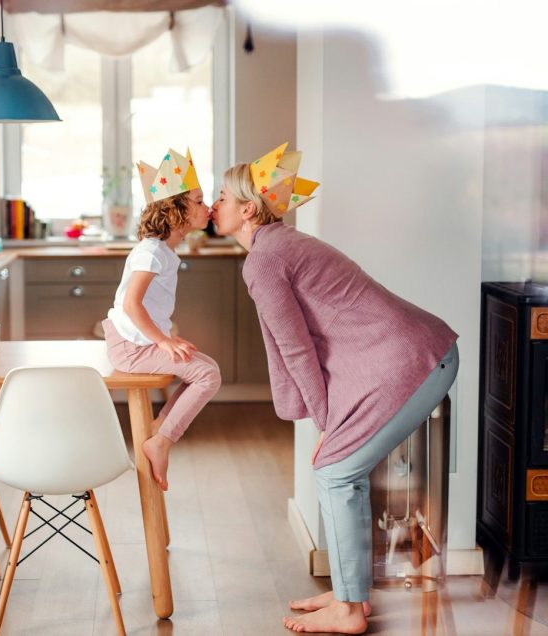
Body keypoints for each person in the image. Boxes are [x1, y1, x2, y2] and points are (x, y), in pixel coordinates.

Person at [211, 143, 459, 634]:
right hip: (417, 355)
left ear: (248, 210)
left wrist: (327, 424)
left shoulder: (264, 260)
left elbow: (297, 349)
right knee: (339, 470)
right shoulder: (281, 247)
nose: (213, 205)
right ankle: (351, 593)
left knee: (337, 471)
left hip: (412, 362)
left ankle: (348, 610)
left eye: (221, 196)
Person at [103, 147, 221, 491]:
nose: (207, 207)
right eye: (199, 201)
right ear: (175, 212)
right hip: (131, 348)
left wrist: (164, 338)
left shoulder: (163, 250)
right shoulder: (152, 251)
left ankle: (160, 430)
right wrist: (164, 341)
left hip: (134, 343)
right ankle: (161, 439)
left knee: (204, 369)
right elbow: (131, 304)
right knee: (207, 374)